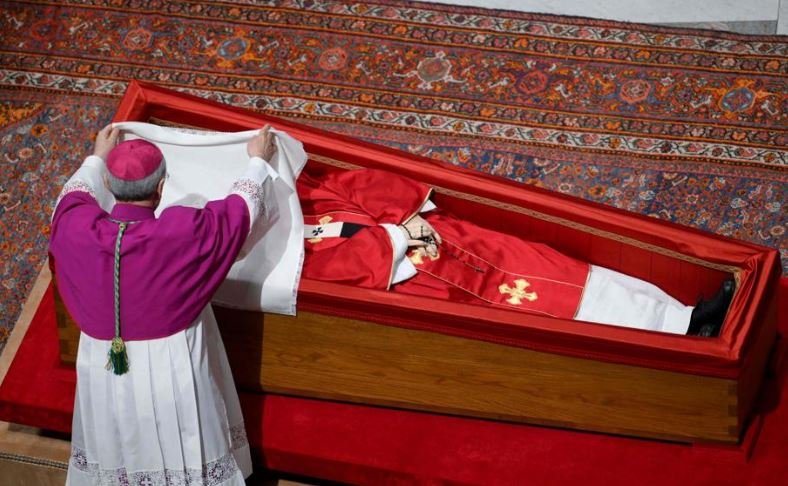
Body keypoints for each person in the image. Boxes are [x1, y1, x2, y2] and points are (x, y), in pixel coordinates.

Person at [50, 124, 277, 485]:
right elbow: (241, 213)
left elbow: (70, 199)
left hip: (103, 365)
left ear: (108, 185)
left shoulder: (75, 229)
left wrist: (96, 157)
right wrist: (257, 161)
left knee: (116, 442)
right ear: (160, 188)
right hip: (173, 368)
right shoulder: (182, 232)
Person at [298, 168, 734, 337]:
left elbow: (347, 184)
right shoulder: (267, 261)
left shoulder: (291, 193)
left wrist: (406, 216)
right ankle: (682, 342)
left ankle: (681, 316)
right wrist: (394, 239)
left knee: (564, 272)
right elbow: (335, 275)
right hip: (420, 287)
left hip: (447, 240)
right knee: (553, 313)